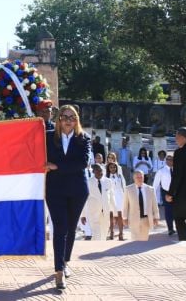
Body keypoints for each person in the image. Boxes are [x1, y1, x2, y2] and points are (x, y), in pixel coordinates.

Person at [44, 104, 91, 290]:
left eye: (72, 117)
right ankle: (59, 271)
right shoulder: (48, 137)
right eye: (65, 116)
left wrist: (56, 166)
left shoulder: (83, 138)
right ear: (59, 119)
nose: (68, 120)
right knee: (60, 228)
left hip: (77, 190)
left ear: (77, 120)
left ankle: (65, 262)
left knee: (71, 228)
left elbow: (82, 162)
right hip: (55, 190)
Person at [80, 164, 114, 241]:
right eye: (98, 170)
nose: (100, 172)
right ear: (93, 172)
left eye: (101, 170)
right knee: (97, 234)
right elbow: (84, 200)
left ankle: (96, 249)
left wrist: (114, 213)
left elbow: (112, 197)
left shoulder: (108, 181)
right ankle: (97, 251)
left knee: (104, 234)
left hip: (105, 212)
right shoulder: (88, 182)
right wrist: (83, 215)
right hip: (93, 213)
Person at [123, 170, 160, 241]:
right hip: (133, 219)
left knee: (144, 240)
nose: (139, 179)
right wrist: (124, 217)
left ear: (143, 177)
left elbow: (154, 205)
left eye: (141, 177)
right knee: (134, 240)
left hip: (146, 219)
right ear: (134, 178)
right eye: (137, 177)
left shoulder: (150, 189)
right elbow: (125, 205)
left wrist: (156, 217)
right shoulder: (128, 189)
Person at [152, 153, 175, 236]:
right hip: (166, 192)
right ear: (166, 161)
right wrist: (153, 196)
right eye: (168, 159)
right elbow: (155, 184)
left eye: (171, 159)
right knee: (168, 210)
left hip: (176, 193)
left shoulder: (177, 170)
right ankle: (170, 229)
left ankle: (176, 226)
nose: (170, 161)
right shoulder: (161, 171)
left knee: (176, 210)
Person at [105, 161, 126, 240]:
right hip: (110, 197)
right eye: (111, 167)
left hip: (119, 196)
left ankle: (121, 234)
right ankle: (111, 233)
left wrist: (125, 197)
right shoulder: (106, 176)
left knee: (120, 215)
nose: (113, 169)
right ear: (108, 168)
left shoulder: (120, 176)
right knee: (111, 216)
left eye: (114, 167)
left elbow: (123, 186)